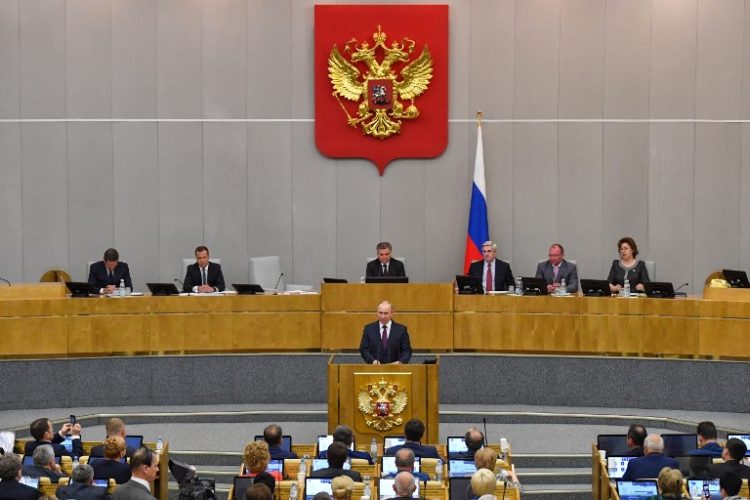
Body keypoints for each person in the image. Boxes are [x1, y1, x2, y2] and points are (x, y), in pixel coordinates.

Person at [359, 301, 412, 365]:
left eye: (386, 313)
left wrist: (400, 362)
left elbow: (407, 351)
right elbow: (363, 349)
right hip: (375, 369)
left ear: (392, 313)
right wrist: (372, 361)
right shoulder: (369, 329)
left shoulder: (401, 330)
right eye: (380, 313)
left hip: (395, 369)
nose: (382, 316)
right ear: (377, 312)